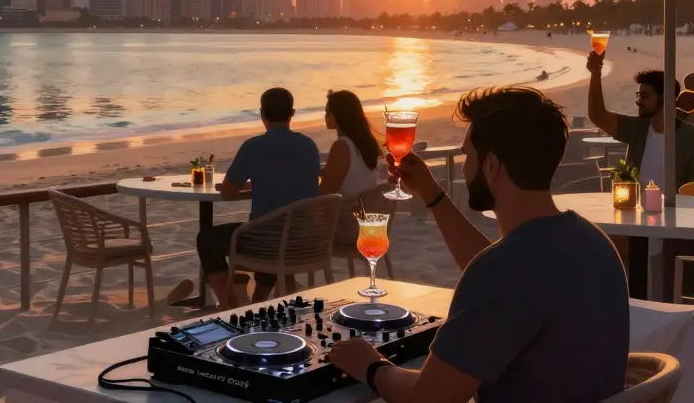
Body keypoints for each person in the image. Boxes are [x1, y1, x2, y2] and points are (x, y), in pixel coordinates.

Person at [329, 87, 628, 403]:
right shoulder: (592, 243)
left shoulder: (505, 271)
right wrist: (432, 194)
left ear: (492, 166)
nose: (463, 166)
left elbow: (428, 397)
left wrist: (371, 365)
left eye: (467, 155)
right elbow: (503, 276)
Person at [198, 87, 320, 308]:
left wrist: (251, 185)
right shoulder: (309, 146)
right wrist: (261, 184)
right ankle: (258, 301)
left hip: (267, 243)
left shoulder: (253, 147)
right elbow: (292, 180)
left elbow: (227, 192)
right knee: (272, 228)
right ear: (292, 113)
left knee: (207, 239)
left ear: (261, 113)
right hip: (303, 240)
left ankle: (228, 305)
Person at [587, 51, 694, 188]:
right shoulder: (638, 128)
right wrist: (595, 73)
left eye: (645, 96)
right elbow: (598, 116)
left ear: (665, 97)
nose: (638, 102)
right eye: (638, 95)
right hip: (636, 207)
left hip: (676, 209)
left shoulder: (689, 136)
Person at [318, 89, 380, 198]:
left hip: (350, 210)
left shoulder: (341, 146)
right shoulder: (362, 142)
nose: (325, 116)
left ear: (340, 115)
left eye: (328, 112)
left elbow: (325, 191)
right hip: (368, 206)